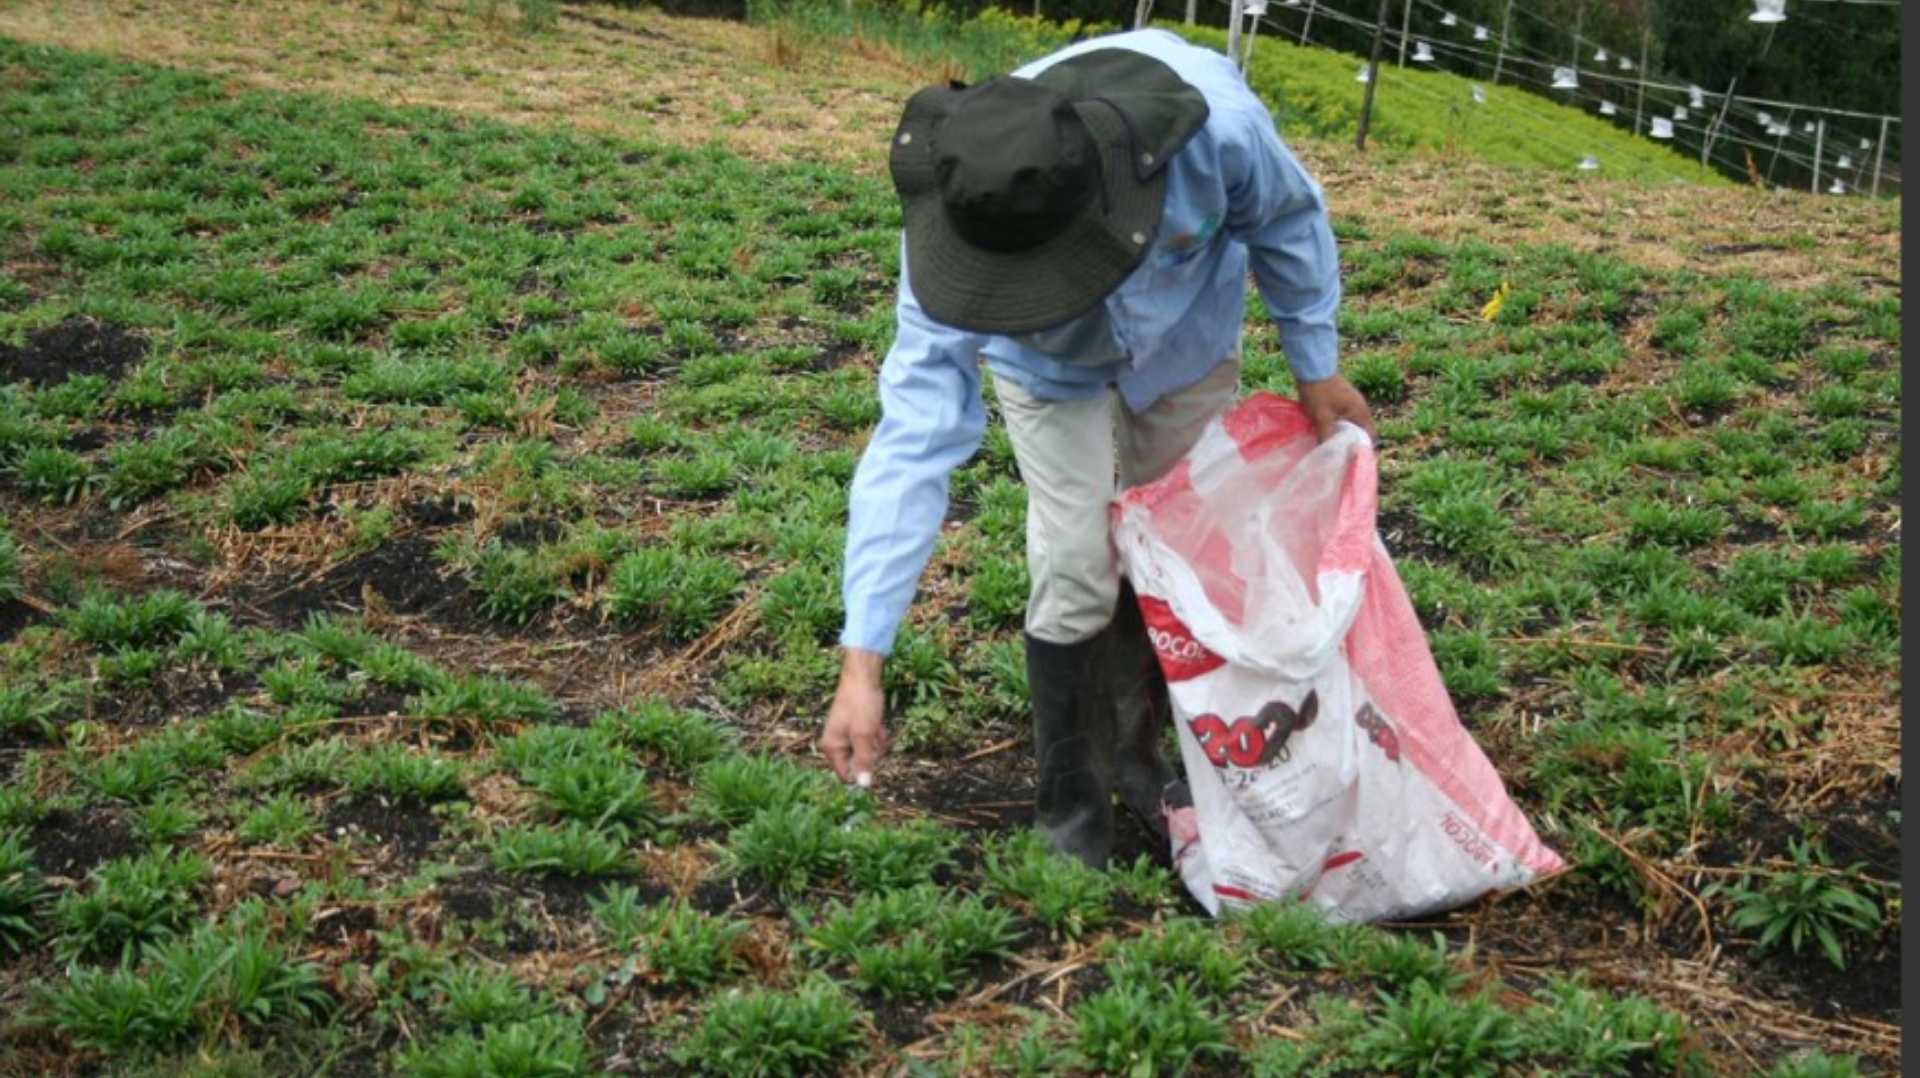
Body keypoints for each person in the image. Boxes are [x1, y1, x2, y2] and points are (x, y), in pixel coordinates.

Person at [817, 27, 1373, 868]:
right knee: (1076, 557)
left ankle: (1147, 756)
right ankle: (1071, 804)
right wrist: (863, 659)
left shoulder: (1216, 133)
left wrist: (1314, 361)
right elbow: (912, 441)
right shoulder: (956, 219)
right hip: (1043, 363)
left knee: (1179, 547)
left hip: (1186, 337)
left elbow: (1288, 220)